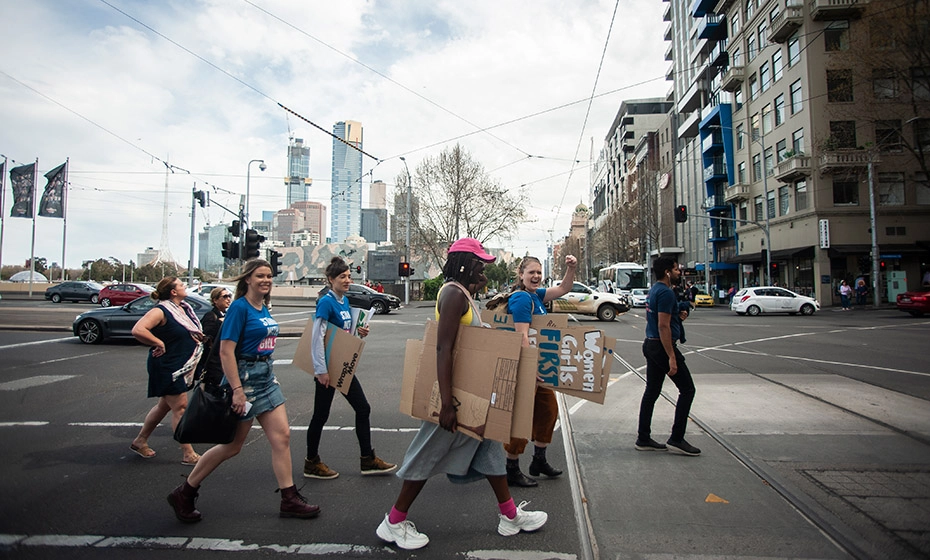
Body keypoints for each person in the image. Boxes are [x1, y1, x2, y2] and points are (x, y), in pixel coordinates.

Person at [376, 238, 547, 550]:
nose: (483, 267)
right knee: (426, 455)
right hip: (454, 395)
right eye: (479, 262)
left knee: (491, 451)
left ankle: (509, 516)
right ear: (465, 262)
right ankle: (394, 522)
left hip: (469, 390)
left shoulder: (462, 292)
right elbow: (444, 348)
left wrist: (477, 285)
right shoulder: (453, 294)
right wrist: (446, 403)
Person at [166, 259, 319, 523]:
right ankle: (185, 492)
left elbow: (264, 345)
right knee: (232, 446)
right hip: (244, 381)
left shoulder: (262, 308)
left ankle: (289, 498)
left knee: (282, 437)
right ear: (247, 279)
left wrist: (270, 375)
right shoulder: (239, 308)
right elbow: (226, 350)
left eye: (269, 276)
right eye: (260, 275)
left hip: (266, 379)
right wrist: (237, 390)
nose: (266, 280)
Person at [303, 257, 397, 480]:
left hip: (341, 364)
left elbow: (344, 333)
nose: (347, 280)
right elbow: (318, 337)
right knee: (320, 415)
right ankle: (311, 461)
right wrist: (320, 370)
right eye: (342, 277)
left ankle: (368, 459)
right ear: (330, 279)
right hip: (328, 367)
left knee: (362, 408)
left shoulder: (344, 301)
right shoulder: (326, 302)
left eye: (349, 276)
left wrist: (359, 332)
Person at [492, 254, 577, 488]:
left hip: (540, 370)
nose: (536, 276)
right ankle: (511, 468)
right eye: (531, 273)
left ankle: (539, 461)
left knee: (548, 411)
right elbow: (522, 336)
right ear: (521, 275)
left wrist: (571, 268)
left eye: (539, 272)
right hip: (526, 369)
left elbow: (562, 289)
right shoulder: (521, 299)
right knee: (521, 418)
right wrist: (528, 368)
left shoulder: (535, 296)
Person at [130, 276, 203, 466]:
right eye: (181, 284)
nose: (184, 286)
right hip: (167, 366)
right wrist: (158, 342)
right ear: (173, 291)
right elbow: (138, 329)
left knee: (164, 406)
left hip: (180, 365)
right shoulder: (161, 310)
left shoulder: (183, 309)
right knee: (180, 407)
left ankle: (140, 441)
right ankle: (188, 453)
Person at [635, 257, 700, 456]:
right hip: (661, 346)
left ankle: (643, 438)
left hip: (651, 344)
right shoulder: (665, 293)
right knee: (688, 389)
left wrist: (677, 317)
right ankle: (677, 438)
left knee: (652, 390)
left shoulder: (655, 290)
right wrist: (671, 356)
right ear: (667, 272)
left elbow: (655, 318)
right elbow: (663, 326)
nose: (679, 272)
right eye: (676, 269)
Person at [198, 287, 232, 386]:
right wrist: (218, 323)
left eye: (229, 296)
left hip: (223, 358)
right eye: (225, 296)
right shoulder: (211, 316)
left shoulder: (225, 315)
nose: (228, 299)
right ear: (215, 300)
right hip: (214, 361)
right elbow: (207, 336)